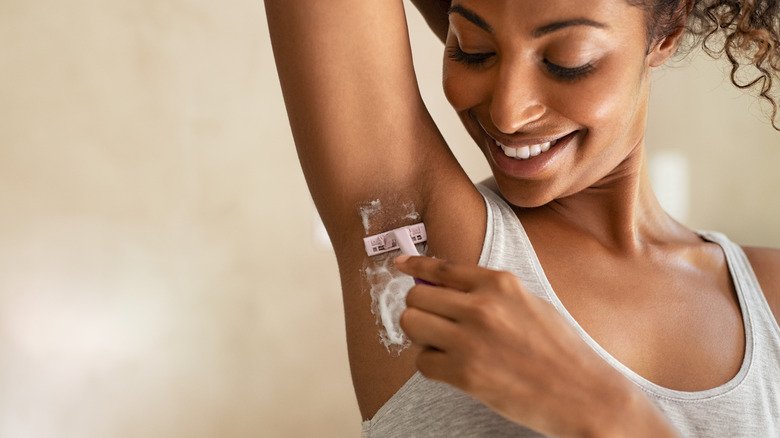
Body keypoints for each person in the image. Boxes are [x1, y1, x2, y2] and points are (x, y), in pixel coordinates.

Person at [265, 0, 780, 436]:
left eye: (566, 61)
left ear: (665, 30)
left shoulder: (770, 300)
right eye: (473, 49)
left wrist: (607, 414)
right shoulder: (417, 238)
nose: (509, 113)